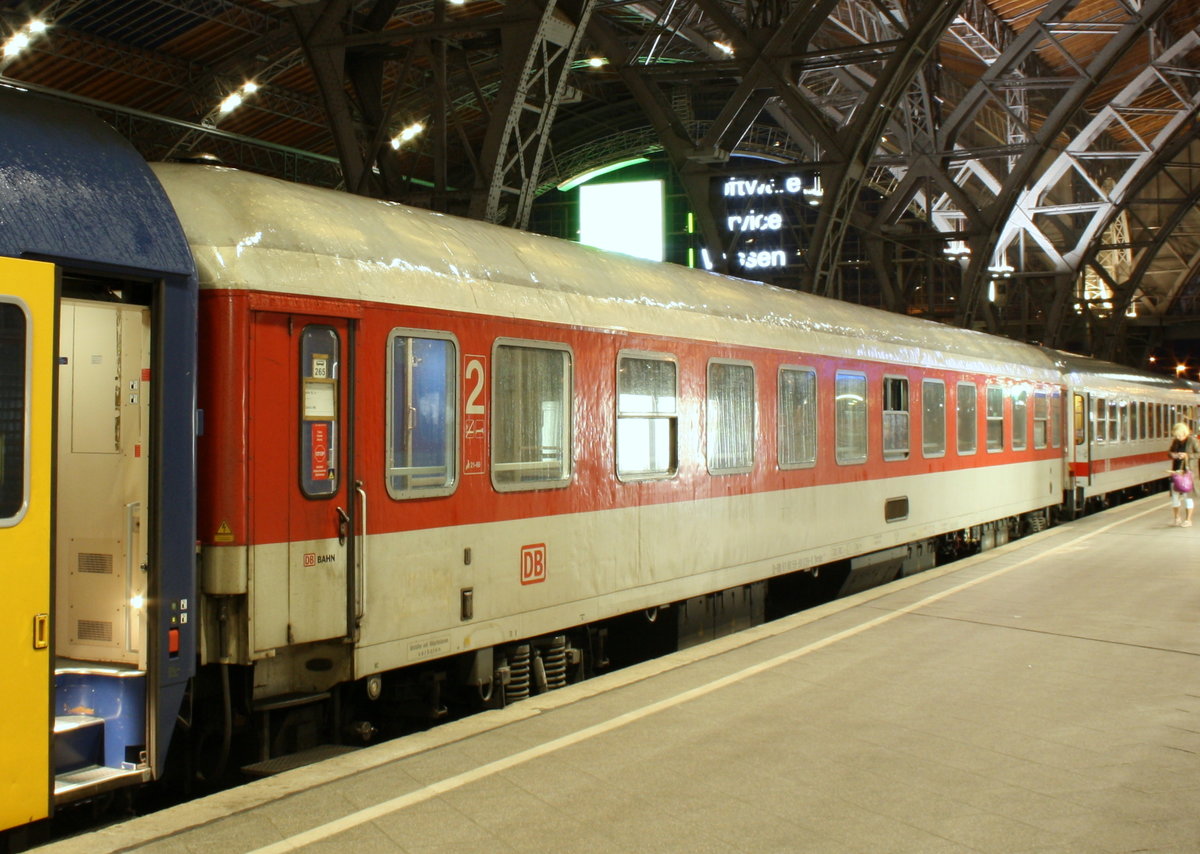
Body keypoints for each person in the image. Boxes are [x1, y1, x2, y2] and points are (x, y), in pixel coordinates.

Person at [1167, 422, 1199, 527]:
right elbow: (1169, 453)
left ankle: (1188, 520)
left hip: (1188, 473)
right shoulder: (1176, 442)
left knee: (1187, 497)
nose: (1178, 437)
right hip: (1176, 472)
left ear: (1184, 432)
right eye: (1176, 435)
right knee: (1174, 497)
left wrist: (1187, 455)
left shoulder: (1192, 441)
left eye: (1179, 435)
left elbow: (1198, 453)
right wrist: (1175, 455)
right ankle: (1177, 518)